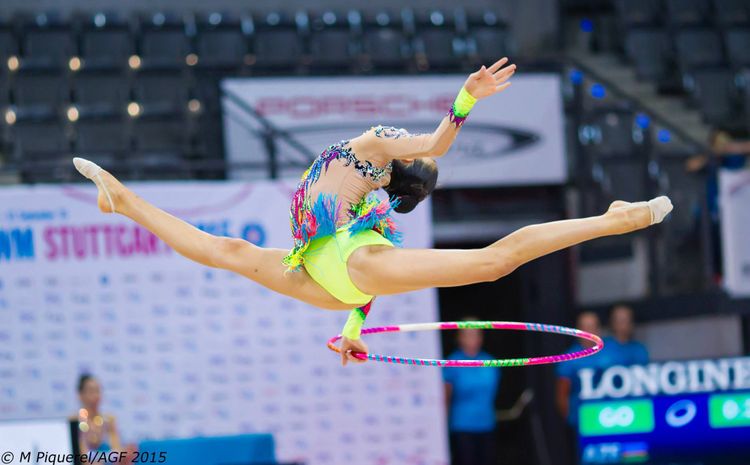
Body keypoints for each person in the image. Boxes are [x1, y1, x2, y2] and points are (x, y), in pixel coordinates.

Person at [72, 56, 673, 366]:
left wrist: (466, 97)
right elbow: (371, 264)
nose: (413, 152)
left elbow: (436, 145)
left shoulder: (374, 148)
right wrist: (354, 329)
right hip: (329, 269)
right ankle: (121, 201)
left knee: (494, 263)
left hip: (333, 268)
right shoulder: (372, 165)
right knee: (227, 252)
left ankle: (613, 218)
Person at [443, 318, 500, 465]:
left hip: (486, 423)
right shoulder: (452, 362)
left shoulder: (491, 362)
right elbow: (446, 398)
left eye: (476, 334)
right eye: (468, 334)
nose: (472, 338)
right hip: (462, 425)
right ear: (459, 337)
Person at [555, 311, 607, 465]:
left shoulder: (612, 352)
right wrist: (570, 419)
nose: (587, 332)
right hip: (581, 422)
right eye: (583, 327)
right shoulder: (569, 358)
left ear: (599, 329)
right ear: (577, 331)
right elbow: (561, 395)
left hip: (612, 418)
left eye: (591, 327)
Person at [72, 374, 133, 459]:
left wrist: (124, 454)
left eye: (98, 391)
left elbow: (117, 451)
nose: (96, 395)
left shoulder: (109, 420)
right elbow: (81, 457)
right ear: (80, 395)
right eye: (91, 391)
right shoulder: (74, 421)